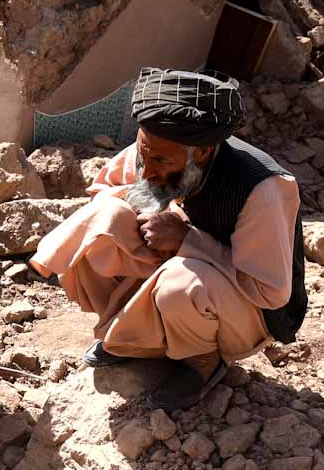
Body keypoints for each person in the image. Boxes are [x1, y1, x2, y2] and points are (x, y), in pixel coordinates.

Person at [30, 68, 306, 410]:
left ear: (202, 153)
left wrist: (187, 239)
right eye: (144, 155)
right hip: (184, 267)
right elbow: (104, 191)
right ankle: (129, 336)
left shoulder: (261, 189)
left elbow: (270, 292)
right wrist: (142, 211)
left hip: (246, 313)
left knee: (182, 281)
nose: (147, 171)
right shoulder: (153, 148)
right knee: (103, 219)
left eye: (159, 161)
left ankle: (201, 362)